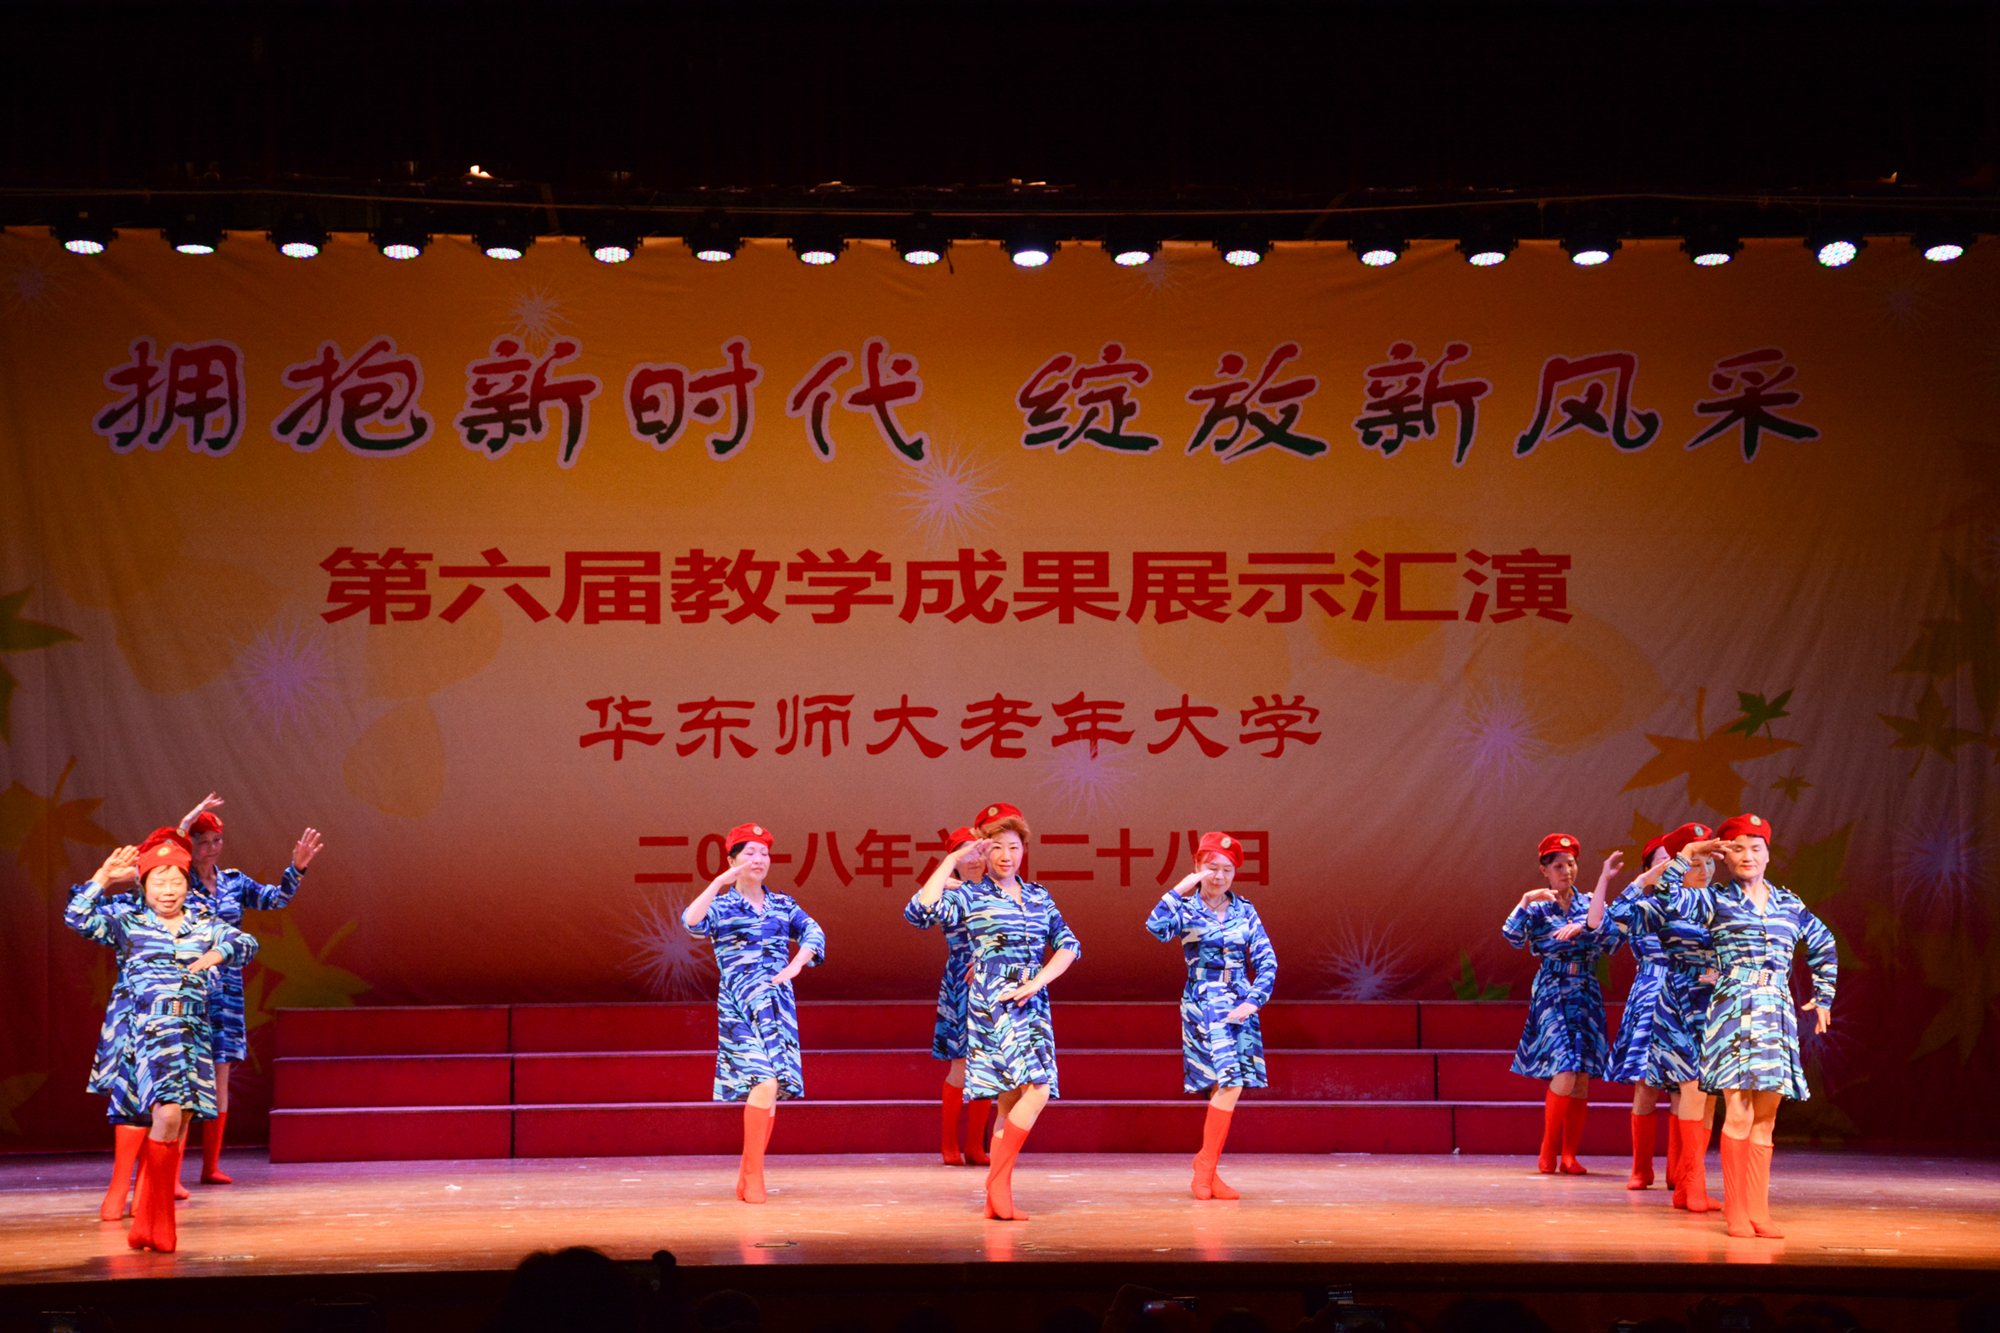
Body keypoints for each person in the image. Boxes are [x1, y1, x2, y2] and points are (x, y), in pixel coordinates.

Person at [65, 829, 258, 1252]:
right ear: (144, 884)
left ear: (188, 885)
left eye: (176, 881)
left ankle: (147, 1224)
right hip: (149, 1033)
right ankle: (163, 1225)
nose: (168, 890)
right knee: (167, 1113)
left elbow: (246, 942)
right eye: (159, 881)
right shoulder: (128, 923)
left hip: (193, 1033)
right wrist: (102, 877)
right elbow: (77, 917)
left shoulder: (203, 924)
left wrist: (216, 954)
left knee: (178, 1122)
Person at [1660, 813, 1836, 1239]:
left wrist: (1824, 994)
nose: (1747, 856)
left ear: (1768, 854)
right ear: (1725, 856)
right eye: (1737, 849)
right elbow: (1668, 897)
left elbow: (1823, 942)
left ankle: (1759, 1211)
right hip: (1733, 1009)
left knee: (1767, 1116)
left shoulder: (1788, 903)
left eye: (1755, 848)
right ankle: (1736, 1211)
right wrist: (1688, 854)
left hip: (1775, 1010)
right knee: (1737, 1112)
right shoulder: (1714, 900)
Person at [913, 801, 1079, 1220]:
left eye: (1014, 847)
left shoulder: (1038, 895)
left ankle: (996, 1196)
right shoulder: (969, 895)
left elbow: (1069, 945)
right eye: (997, 848)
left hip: (1032, 999)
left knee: (1010, 1101)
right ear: (983, 851)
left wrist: (1039, 981)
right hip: (993, 1000)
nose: (1006, 856)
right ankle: (997, 1184)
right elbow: (919, 911)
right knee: (1038, 1088)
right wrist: (951, 859)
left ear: (1024, 849)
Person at [175, 793, 323, 1186]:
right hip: (188, 987)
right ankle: (170, 1173)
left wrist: (297, 868)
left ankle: (210, 1166)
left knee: (220, 1074)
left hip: (226, 989)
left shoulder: (233, 882)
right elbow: (169, 851)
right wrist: (186, 821)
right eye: (202, 841)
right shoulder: (178, 881)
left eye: (216, 841)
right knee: (184, 1075)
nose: (210, 848)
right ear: (191, 844)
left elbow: (275, 899)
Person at [681, 823, 824, 1204]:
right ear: (732, 860)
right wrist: (718, 883)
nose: (758, 860)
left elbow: (814, 933)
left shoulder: (783, 904)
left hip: (777, 1006)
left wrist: (797, 964)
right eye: (749, 853)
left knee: (772, 1089)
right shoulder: (722, 906)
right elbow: (691, 922)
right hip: (739, 1006)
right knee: (764, 1081)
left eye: (764, 853)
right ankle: (753, 1176)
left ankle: (748, 1174)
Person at [1145, 831, 1277, 1200]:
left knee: (1227, 1086)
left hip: (1240, 1003)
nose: (1219, 877)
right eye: (1211, 868)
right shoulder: (1186, 909)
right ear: (1198, 867)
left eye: (1227, 870)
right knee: (1228, 1082)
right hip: (1204, 1001)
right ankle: (1204, 1167)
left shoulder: (1245, 910)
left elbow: (1267, 961)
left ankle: (1209, 1170)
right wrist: (1180, 889)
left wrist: (1254, 1001)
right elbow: (1155, 928)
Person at [1607, 821, 1720, 1210]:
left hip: (1709, 1003)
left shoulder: (1720, 902)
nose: (1702, 868)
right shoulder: (1660, 904)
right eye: (1691, 861)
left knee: (1699, 1091)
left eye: (1706, 860)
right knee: (1651, 1082)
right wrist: (1643, 882)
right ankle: (1644, 1169)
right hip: (1660, 995)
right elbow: (1615, 920)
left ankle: (1684, 1176)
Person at [1501, 832, 1624, 1174]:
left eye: (1570, 864)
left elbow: (1614, 941)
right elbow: (1512, 936)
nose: (1566, 871)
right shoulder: (1538, 907)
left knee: (1581, 1075)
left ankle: (1569, 1154)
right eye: (1557, 866)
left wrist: (1585, 925)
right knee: (1565, 1069)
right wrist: (1524, 901)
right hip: (1552, 989)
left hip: (1585, 989)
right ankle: (1548, 1146)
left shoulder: (1590, 904)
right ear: (1544, 870)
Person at [903, 825, 992, 1167]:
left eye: (979, 852)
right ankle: (948, 1143)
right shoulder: (951, 894)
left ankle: (975, 1146)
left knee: (989, 1065)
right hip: (962, 984)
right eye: (965, 854)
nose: (975, 860)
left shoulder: (1001, 891)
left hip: (995, 983)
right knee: (962, 1064)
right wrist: (941, 879)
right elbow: (915, 914)